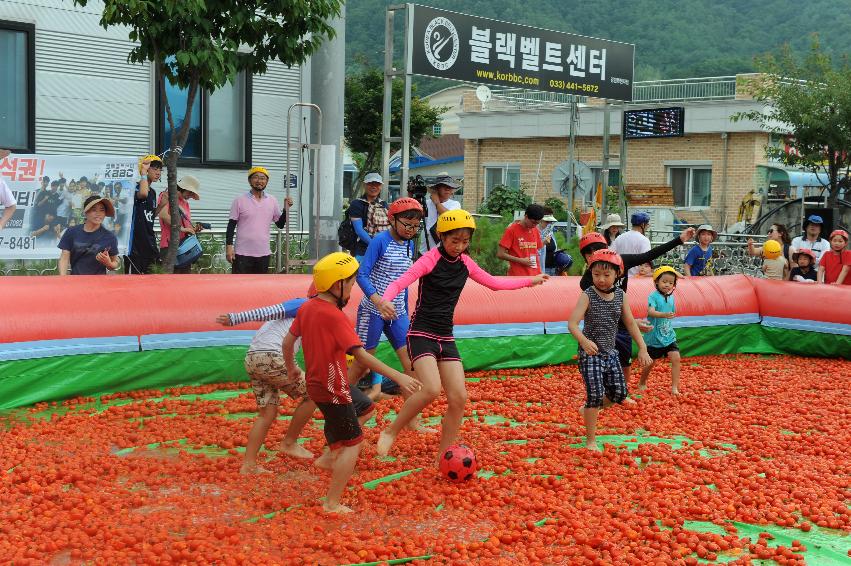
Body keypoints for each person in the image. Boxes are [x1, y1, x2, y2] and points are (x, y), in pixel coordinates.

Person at [373, 210, 548, 461]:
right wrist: (386, 300)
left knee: (459, 398)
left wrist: (529, 282)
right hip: (421, 332)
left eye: (465, 242)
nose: (459, 246)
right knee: (431, 389)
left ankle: (443, 454)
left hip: (445, 335)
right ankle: (391, 430)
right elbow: (401, 282)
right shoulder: (430, 259)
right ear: (441, 237)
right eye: (454, 241)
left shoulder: (465, 263)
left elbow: (494, 283)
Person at [283, 252, 416, 514]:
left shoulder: (307, 308)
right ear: (337, 285)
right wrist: (399, 376)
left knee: (359, 411)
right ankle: (331, 503)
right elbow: (363, 355)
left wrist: (292, 368)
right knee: (353, 444)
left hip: (317, 385)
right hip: (334, 388)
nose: (353, 289)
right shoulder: (334, 316)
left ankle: (329, 457)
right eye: (352, 284)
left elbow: (288, 343)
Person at [577, 226, 696, 386]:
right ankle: (600, 392)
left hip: (622, 320)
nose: (594, 255)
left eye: (598, 250)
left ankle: (623, 392)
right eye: (589, 253)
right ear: (584, 257)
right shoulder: (586, 281)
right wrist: (632, 322)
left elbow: (648, 255)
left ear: (606, 250)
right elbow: (602, 310)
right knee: (600, 361)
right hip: (602, 325)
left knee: (625, 359)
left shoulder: (622, 262)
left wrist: (679, 240)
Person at [351, 197, 428, 424]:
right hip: (372, 311)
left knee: (411, 364)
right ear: (393, 220)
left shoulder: (409, 244)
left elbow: (402, 281)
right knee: (363, 363)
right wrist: (377, 301)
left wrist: (404, 309)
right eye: (407, 224)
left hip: (397, 313)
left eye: (416, 226)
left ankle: (411, 421)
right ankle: (338, 406)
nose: (411, 230)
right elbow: (361, 274)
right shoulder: (379, 241)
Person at [568, 249, 651, 451]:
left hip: (610, 353)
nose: (601, 279)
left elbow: (630, 323)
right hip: (591, 354)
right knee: (595, 395)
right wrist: (584, 341)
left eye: (607, 275)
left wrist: (642, 347)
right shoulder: (587, 295)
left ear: (617, 274)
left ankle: (589, 408)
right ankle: (590, 440)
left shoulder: (620, 295)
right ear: (591, 273)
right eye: (596, 275)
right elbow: (572, 323)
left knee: (619, 394)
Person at [226, 166, 294, 274]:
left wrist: (285, 209)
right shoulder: (239, 200)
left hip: (263, 253)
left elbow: (280, 224)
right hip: (242, 253)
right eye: (256, 177)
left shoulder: (272, 200)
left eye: (263, 178)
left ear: (267, 181)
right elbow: (231, 225)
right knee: (240, 287)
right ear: (250, 180)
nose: (259, 181)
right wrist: (229, 248)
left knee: (260, 288)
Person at [638, 266, 683, 396]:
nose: (667, 285)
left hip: (668, 335)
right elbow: (650, 311)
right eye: (664, 282)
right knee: (650, 363)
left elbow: (672, 311)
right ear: (656, 282)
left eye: (671, 283)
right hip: (654, 337)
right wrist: (664, 315)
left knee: (676, 358)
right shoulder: (653, 296)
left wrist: (671, 314)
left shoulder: (671, 297)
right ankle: (642, 381)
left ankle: (674, 388)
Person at [57, 196, 119, 275]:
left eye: (102, 210)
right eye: (94, 210)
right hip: (76, 282)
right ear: (85, 212)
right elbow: (64, 258)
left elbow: (114, 264)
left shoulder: (110, 237)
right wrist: (63, 279)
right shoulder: (71, 231)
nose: (98, 213)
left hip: (99, 284)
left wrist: (108, 263)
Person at [157, 175, 204, 274]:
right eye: (189, 192)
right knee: (170, 282)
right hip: (169, 245)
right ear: (183, 188)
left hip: (185, 246)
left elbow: (186, 225)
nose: (190, 195)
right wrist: (182, 229)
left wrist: (193, 229)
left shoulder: (185, 203)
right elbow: (163, 215)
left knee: (184, 282)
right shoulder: (167, 195)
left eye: (192, 194)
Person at [125, 155, 163, 274]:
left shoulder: (153, 192)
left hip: (149, 241)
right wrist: (143, 173)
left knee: (151, 281)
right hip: (135, 245)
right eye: (154, 169)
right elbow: (142, 194)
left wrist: (162, 205)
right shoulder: (134, 187)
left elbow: (150, 216)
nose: (158, 172)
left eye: (160, 170)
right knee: (133, 283)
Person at [347, 172, 389, 261]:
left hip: (382, 250)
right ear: (364, 185)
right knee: (361, 274)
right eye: (370, 183)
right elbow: (359, 230)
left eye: (377, 184)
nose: (374, 187)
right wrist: (375, 245)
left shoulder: (383, 204)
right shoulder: (356, 204)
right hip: (362, 250)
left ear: (381, 186)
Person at [497, 203, 545, 276]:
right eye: (533, 222)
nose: (534, 225)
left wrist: (539, 272)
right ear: (526, 216)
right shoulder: (511, 230)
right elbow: (500, 254)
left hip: (535, 275)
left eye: (537, 223)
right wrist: (521, 260)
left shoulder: (535, 230)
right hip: (518, 276)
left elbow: (535, 252)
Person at [419, 173, 462, 254]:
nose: (448, 188)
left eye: (450, 186)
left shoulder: (455, 204)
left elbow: (449, 217)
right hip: (425, 250)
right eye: (444, 186)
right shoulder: (426, 203)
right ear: (437, 188)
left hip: (444, 252)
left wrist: (437, 203)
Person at [611, 211, 652, 277]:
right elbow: (646, 262)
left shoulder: (619, 237)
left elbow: (612, 255)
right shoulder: (644, 240)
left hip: (620, 278)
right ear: (642, 225)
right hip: (636, 280)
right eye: (647, 224)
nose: (648, 227)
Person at [539, 209, 559, 275]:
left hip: (551, 268)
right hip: (541, 269)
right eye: (547, 222)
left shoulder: (550, 232)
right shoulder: (535, 232)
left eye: (551, 222)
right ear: (540, 220)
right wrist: (543, 243)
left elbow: (554, 247)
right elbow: (534, 249)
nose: (549, 224)